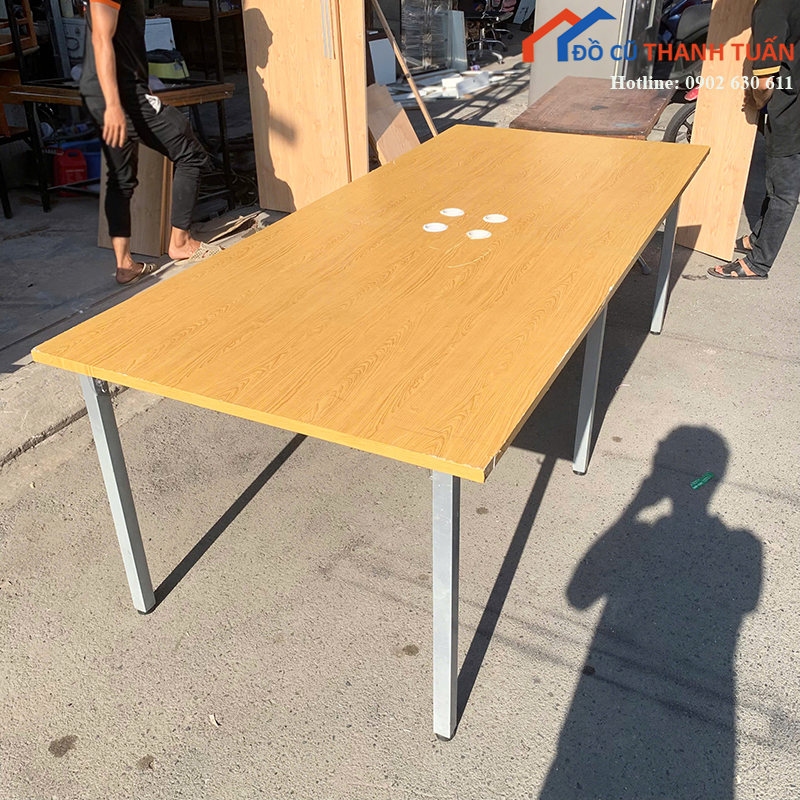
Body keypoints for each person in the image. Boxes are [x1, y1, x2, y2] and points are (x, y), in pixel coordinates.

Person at [80, 0, 217, 285]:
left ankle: (124, 265)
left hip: (111, 92)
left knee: (120, 178)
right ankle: (180, 243)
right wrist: (114, 106)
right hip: (123, 95)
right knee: (190, 153)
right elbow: (101, 39)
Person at [709, 0, 800, 280]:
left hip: (792, 111)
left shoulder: (770, 9)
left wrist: (756, 100)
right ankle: (758, 238)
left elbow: (763, 81)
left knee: (782, 190)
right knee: (776, 184)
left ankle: (758, 263)